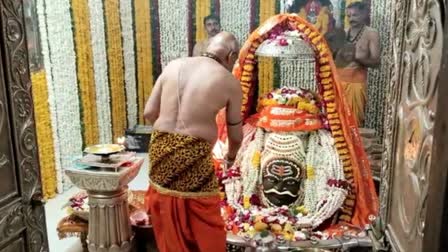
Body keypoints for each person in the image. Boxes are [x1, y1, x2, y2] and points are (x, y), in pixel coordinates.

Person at [143, 31, 242, 252]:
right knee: (204, 218)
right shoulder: (229, 82)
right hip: (194, 152)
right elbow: (235, 136)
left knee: (167, 210)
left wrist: (168, 142)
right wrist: (231, 158)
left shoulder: (174, 65)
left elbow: (149, 112)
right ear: (231, 55)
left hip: (160, 147)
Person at [335, 1, 380, 126]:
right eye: (348, 16)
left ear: (365, 14)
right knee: (337, 124)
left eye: (355, 15)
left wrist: (357, 58)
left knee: (354, 125)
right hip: (338, 85)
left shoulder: (371, 34)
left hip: (356, 85)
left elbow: (376, 62)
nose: (351, 19)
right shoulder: (343, 33)